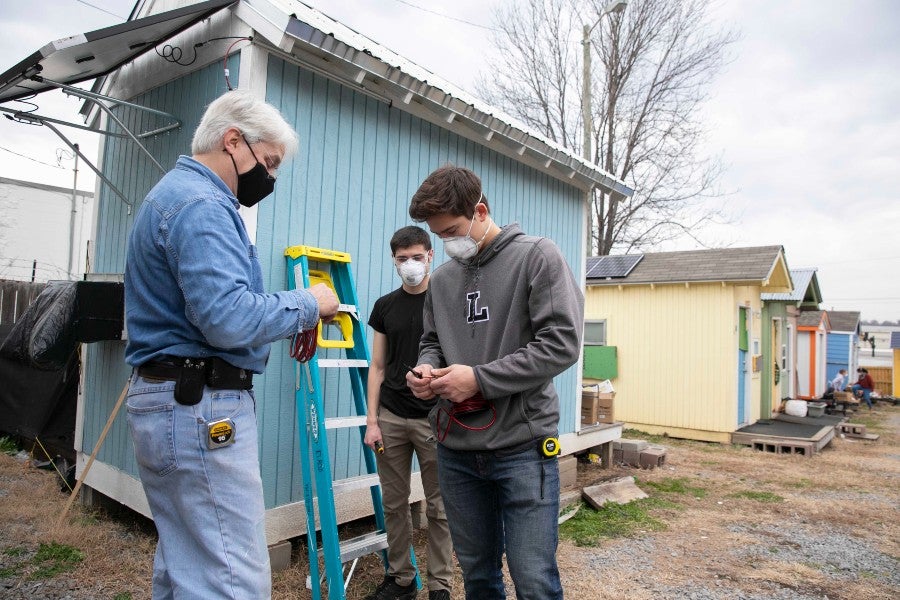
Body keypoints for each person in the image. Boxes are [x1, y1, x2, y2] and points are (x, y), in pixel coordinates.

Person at [123, 90, 339, 599]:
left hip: (172, 400)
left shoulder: (173, 196)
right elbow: (227, 318)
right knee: (230, 579)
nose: (270, 177)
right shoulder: (202, 205)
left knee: (186, 566)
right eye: (268, 162)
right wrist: (308, 303)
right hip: (200, 406)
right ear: (233, 140)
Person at [405, 164, 584, 599]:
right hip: (456, 451)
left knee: (534, 580)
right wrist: (426, 369)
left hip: (522, 448)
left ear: (480, 211)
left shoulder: (537, 256)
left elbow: (561, 344)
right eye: (438, 235)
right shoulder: (443, 279)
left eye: (451, 231)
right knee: (479, 578)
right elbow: (433, 341)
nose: (446, 243)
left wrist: (479, 380)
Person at [364, 226, 453, 600]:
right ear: (394, 261)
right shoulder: (385, 306)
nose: (411, 265)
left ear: (431, 255)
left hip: (437, 419)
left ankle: (440, 586)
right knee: (394, 503)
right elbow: (378, 366)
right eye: (403, 259)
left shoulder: (447, 299)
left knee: (440, 508)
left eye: (417, 257)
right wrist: (372, 421)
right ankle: (401, 579)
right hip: (392, 418)